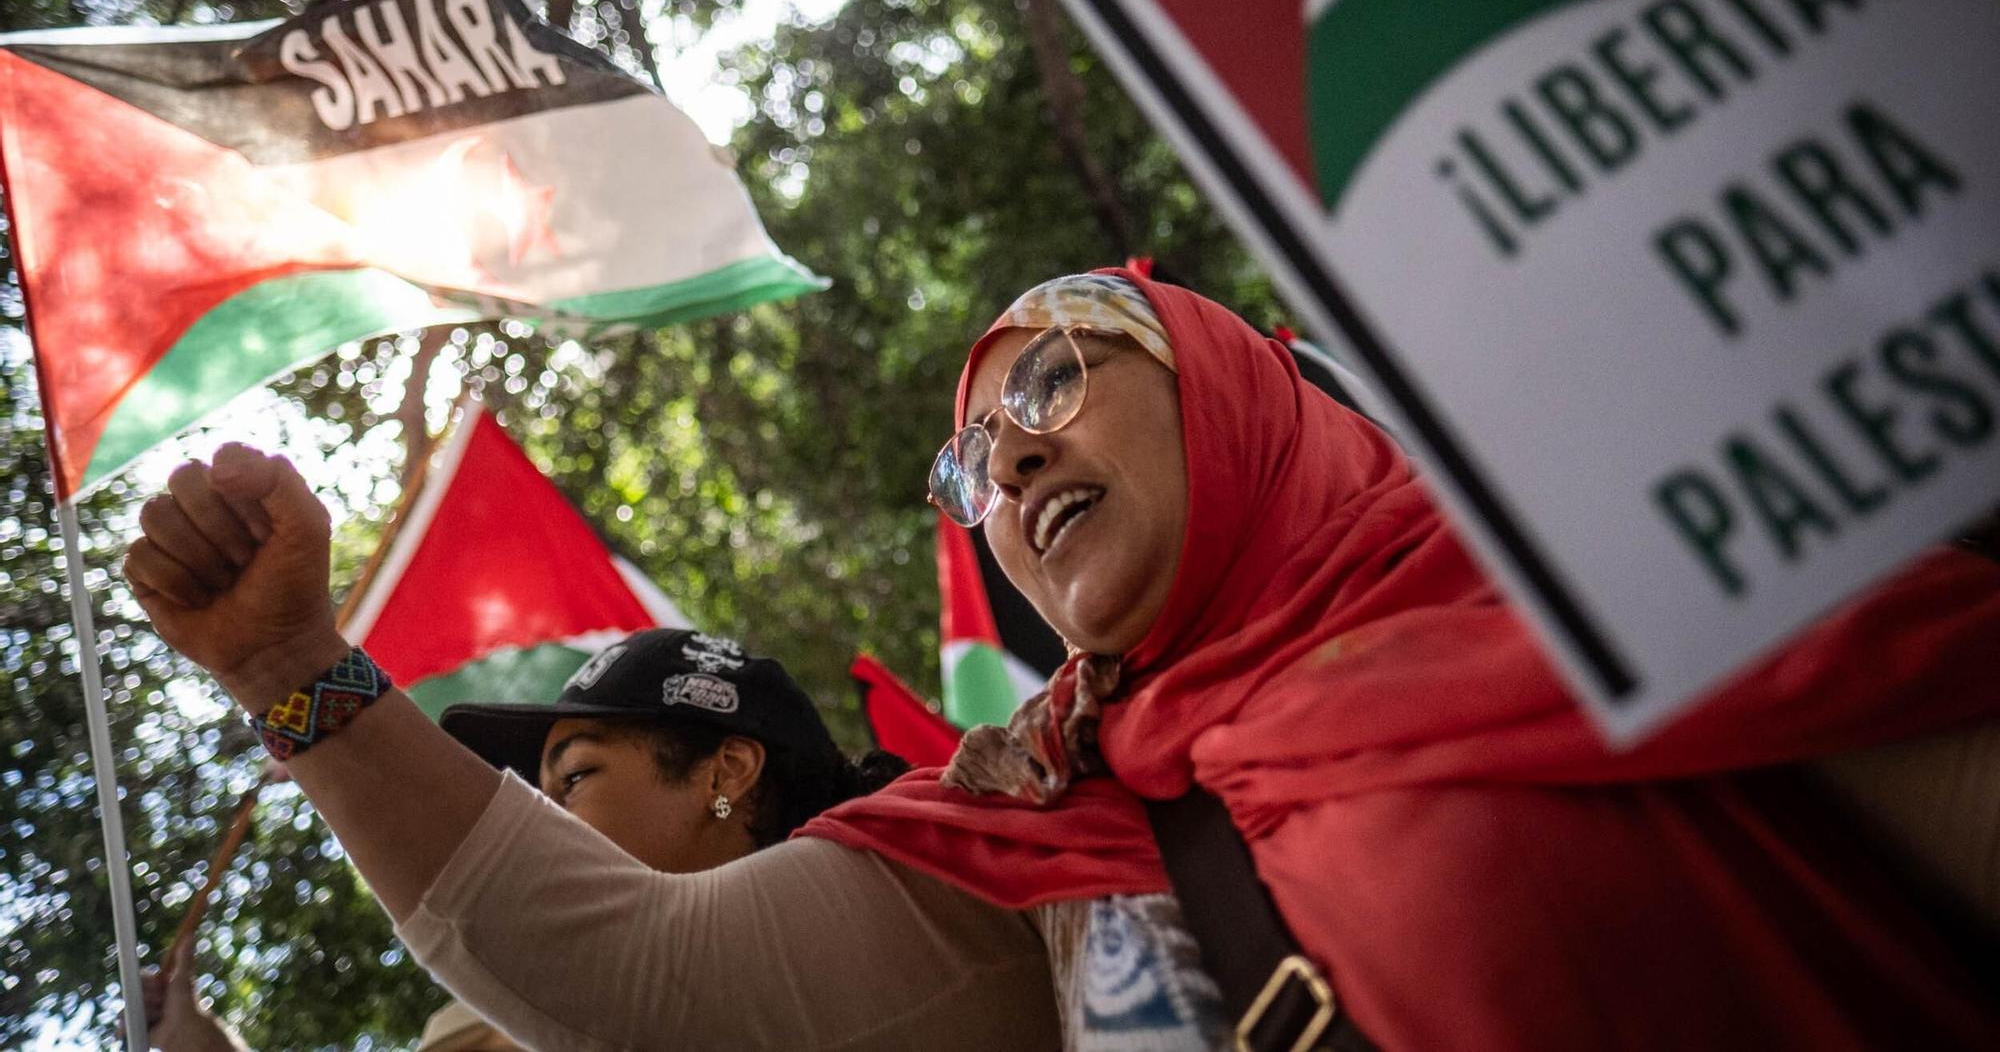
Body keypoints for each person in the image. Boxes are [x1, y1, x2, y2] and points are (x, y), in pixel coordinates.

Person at [125, 269, 2000, 1049]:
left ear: (1245, 389)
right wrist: (301, 672)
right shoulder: (1031, 808)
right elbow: (645, 975)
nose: (1006, 458)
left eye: (1052, 378)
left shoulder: (1617, 559)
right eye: (971, 451)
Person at [140, 627, 905, 1051]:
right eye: (538, 795)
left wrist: (280, 661)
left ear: (726, 771)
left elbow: (658, 972)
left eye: (574, 780)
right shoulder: (487, 1023)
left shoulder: (897, 919)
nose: (543, 820)